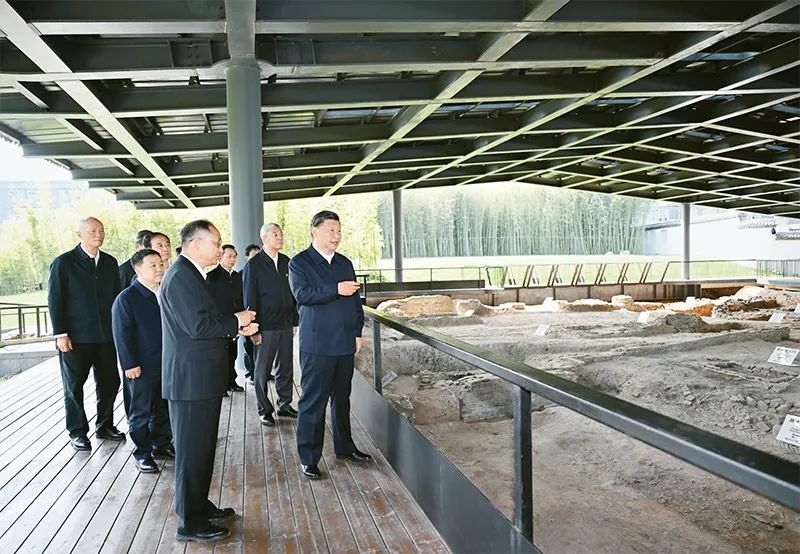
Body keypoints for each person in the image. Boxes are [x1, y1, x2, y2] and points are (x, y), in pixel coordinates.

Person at [160, 220, 258, 542]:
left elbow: (208, 321)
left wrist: (236, 327)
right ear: (195, 244)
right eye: (215, 243)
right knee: (191, 453)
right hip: (190, 382)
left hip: (200, 379)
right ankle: (190, 523)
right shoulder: (180, 278)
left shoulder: (191, 275)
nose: (220, 249)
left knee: (201, 450)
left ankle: (198, 505)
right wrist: (237, 321)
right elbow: (198, 328)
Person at [289, 210, 371, 480]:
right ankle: (309, 457)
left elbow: (354, 300)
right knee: (313, 402)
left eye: (338, 231)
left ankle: (345, 447)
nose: (336, 236)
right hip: (317, 344)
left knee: (342, 399)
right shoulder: (300, 263)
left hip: (345, 342)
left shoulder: (344, 263)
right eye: (330, 231)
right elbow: (302, 295)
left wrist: (357, 332)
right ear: (315, 231)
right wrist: (335, 289)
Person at [48, 217, 125, 451]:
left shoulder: (111, 263)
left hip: (106, 337)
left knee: (110, 382)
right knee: (74, 386)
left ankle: (105, 425)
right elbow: (55, 300)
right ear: (78, 233)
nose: (98, 234)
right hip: (75, 338)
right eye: (92, 230)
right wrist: (60, 333)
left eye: (101, 230)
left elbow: (117, 298)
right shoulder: (63, 263)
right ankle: (77, 431)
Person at [111, 249, 173, 474]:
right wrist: (129, 365)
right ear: (137, 269)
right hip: (141, 367)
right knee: (141, 412)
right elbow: (122, 335)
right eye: (152, 265)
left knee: (163, 408)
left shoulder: (165, 292)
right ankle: (142, 453)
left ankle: (162, 444)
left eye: (160, 264)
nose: (159, 268)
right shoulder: (126, 298)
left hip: (166, 363)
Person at [243, 224, 298, 427]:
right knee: (262, 370)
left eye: (281, 233)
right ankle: (264, 409)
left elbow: (293, 294)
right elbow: (249, 298)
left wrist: (294, 321)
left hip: (285, 323)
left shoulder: (287, 262)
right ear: (264, 238)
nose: (280, 237)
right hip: (264, 326)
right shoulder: (254, 265)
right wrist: (254, 327)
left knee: (286, 367)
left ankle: (285, 404)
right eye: (276, 234)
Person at [207, 244, 245, 393]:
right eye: (228, 256)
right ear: (220, 257)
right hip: (219, 321)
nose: (232, 259)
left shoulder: (237, 277)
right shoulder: (211, 277)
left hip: (235, 319)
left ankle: (231, 381)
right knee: (220, 355)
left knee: (233, 353)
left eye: (234, 256)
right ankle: (221, 385)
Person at [242, 244, 261, 384]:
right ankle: (251, 373)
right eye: (253, 255)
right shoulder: (242, 273)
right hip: (245, 317)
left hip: (260, 316)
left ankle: (260, 372)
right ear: (247, 257)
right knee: (249, 347)